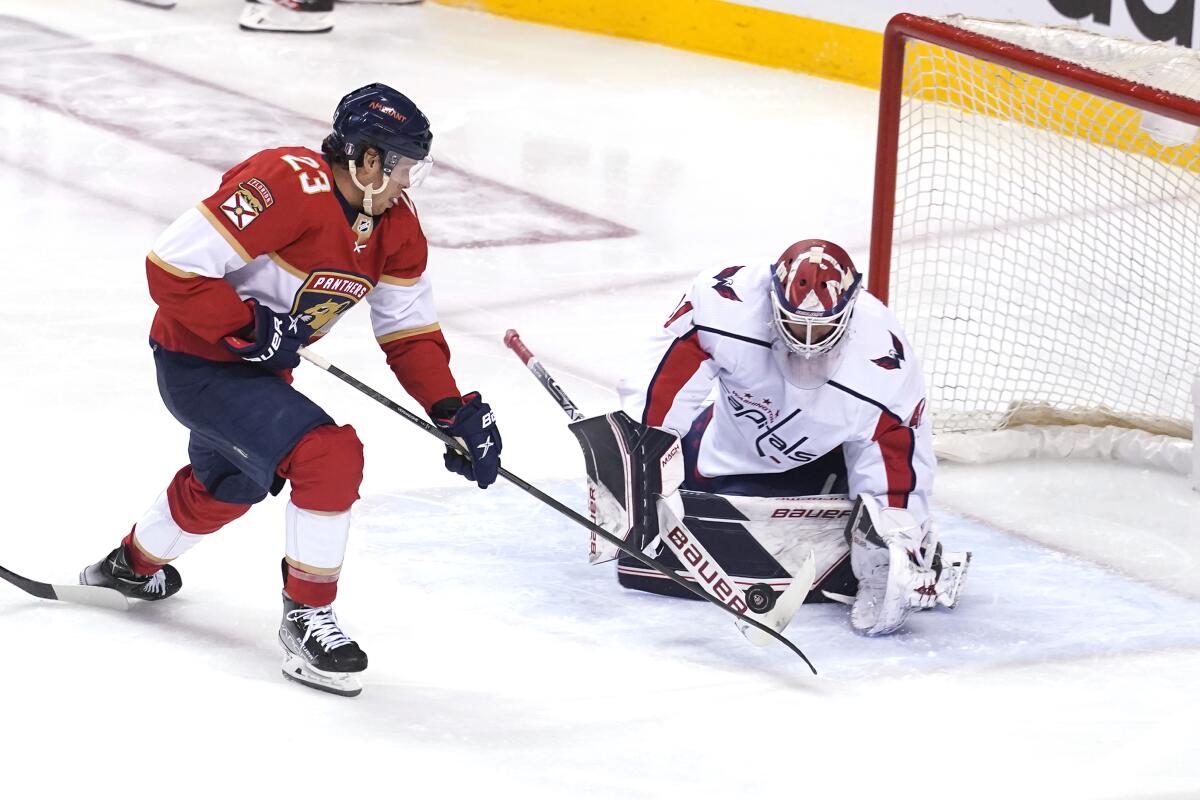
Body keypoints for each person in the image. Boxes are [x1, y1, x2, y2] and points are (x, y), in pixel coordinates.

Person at [79, 83, 502, 696]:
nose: (410, 180)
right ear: (367, 159)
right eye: (404, 164)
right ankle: (308, 619)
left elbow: (409, 333)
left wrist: (450, 409)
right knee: (328, 456)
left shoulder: (399, 228)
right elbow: (171, 266)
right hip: (196, 362)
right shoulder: (285, 181)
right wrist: (247, 326)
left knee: (231, 482)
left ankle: (128, 569)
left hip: (260, 374)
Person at [592, 239, 968, 636]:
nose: (806, 340)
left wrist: (895, 534)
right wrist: (643, 448)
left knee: (847, 537)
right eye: (794, 322)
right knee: (662, 523)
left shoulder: (884, 357)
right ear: (772, 297)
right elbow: (662, 379)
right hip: (724, 445)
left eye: (821, 325)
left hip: (822, 465)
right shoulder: (725, 301)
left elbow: (899, 450)